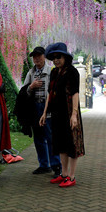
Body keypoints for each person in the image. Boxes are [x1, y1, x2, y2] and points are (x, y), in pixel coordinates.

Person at [40, 42, 84, 187]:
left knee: (71, 144)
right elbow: (50, 93)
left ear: (65, 57)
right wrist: (45, 112)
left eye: (59, 57)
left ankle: (71, 176)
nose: (56, 60)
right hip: (57, 113)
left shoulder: (72, 72)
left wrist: (74, 114)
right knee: (60, 143)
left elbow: (75, 93)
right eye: (53, 58)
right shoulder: (54, 72)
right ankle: (63, 174)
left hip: (69, 111)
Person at [22, 46, 60, 176]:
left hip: (47, 107)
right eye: (34, 56)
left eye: (39, 55)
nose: (36, 58)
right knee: (38, 137)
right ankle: (44, 165)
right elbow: (24, 91)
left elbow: (55, 91)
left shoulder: (51, 71)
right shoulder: (31, 73)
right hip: (34, 108)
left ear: (44, 56)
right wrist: (31, 87)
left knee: (50, 137)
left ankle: (56, 166)